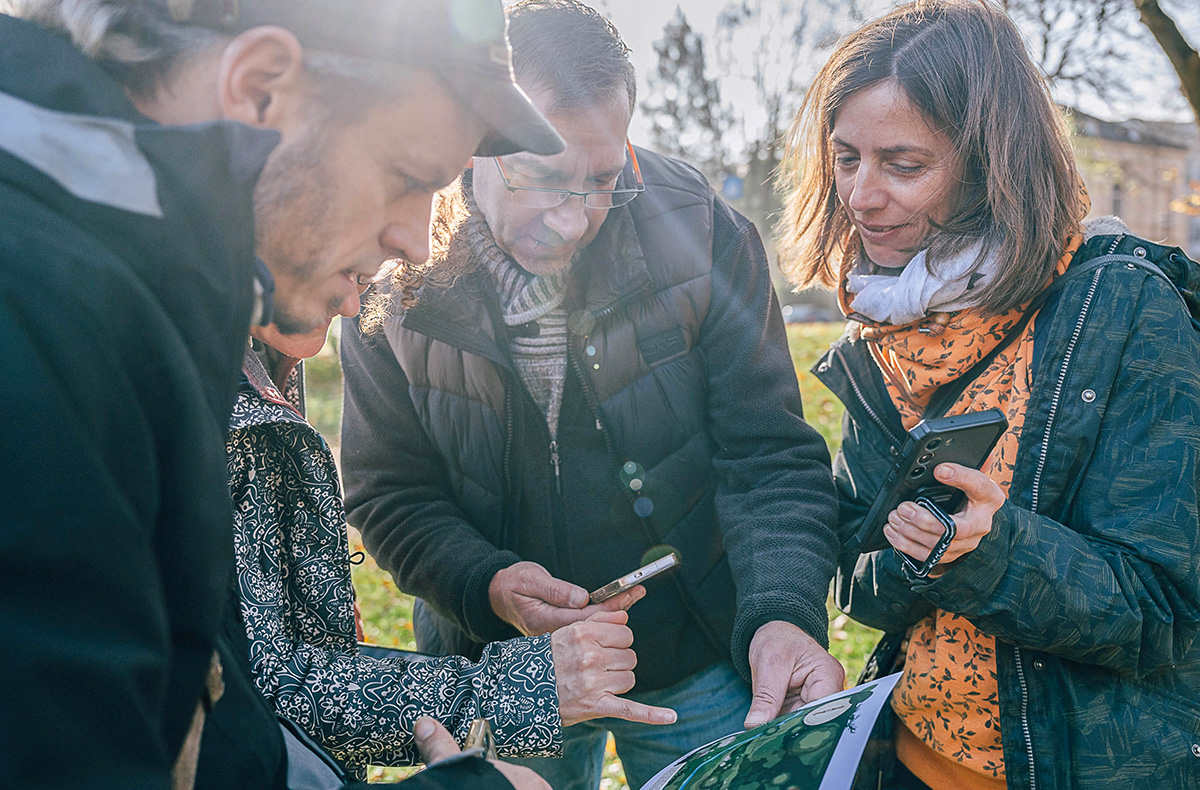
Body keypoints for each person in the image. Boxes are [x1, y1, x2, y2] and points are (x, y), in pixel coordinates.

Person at [0, 0, 568, 787]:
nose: (415, 237)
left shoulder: (134, 289)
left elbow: (202, 718)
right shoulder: (37, 313)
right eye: (408, 178)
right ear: (260, 89)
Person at [339, 2, 843, 788]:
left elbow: (770, 456)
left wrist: (781, 610)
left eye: (603, 182)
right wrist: (489, 585)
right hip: (502, 674)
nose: (572, 220)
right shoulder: (388, 265)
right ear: (477, 141)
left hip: (702, 654)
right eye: (541, 176)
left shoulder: (703, 231)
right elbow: (388, 491)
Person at [775, 2, 1200, 789]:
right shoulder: (874, 338)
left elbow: (1170, 614)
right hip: (904, 758)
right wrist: (922, 550)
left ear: (993, 164)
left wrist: (992, 551)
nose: (860, 196)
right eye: (845, 158)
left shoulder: (1123, 310)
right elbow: (859, 584)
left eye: (903, 165)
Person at [228, 273, 675, 781]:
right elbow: (256, 685)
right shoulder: (201, 388)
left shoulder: (267, 339)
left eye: (365, 275)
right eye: (347, 265)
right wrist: (511, 684)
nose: (355, 305)